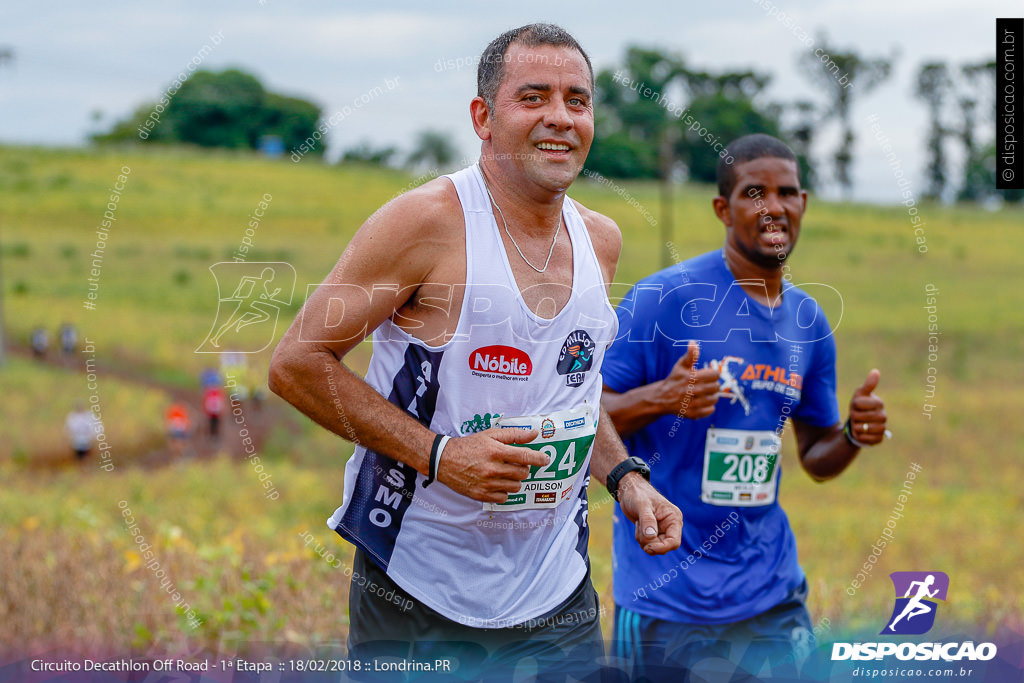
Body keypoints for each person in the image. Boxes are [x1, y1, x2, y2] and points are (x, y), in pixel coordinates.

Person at [269, 23, 682, 678]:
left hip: (556, 593)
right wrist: (439, 456)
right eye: (534, 97)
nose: (560, 118)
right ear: (483, 117)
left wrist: (626, 478)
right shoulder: (427, 222)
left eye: (577, 100)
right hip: (417, 588)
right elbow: (296, 364)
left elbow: (574, 395)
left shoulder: (600, 240)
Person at [602, 134, 889, 680]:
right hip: (668, 595)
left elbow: (816, 458)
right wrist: (662, 398)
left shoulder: (809, 322)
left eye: (787, 192)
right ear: (722, 209)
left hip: (771, 593)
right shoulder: (665, 299)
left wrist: (852, 433)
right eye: (755, 193)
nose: (774, 207)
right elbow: (585, 412)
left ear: (804, 203)